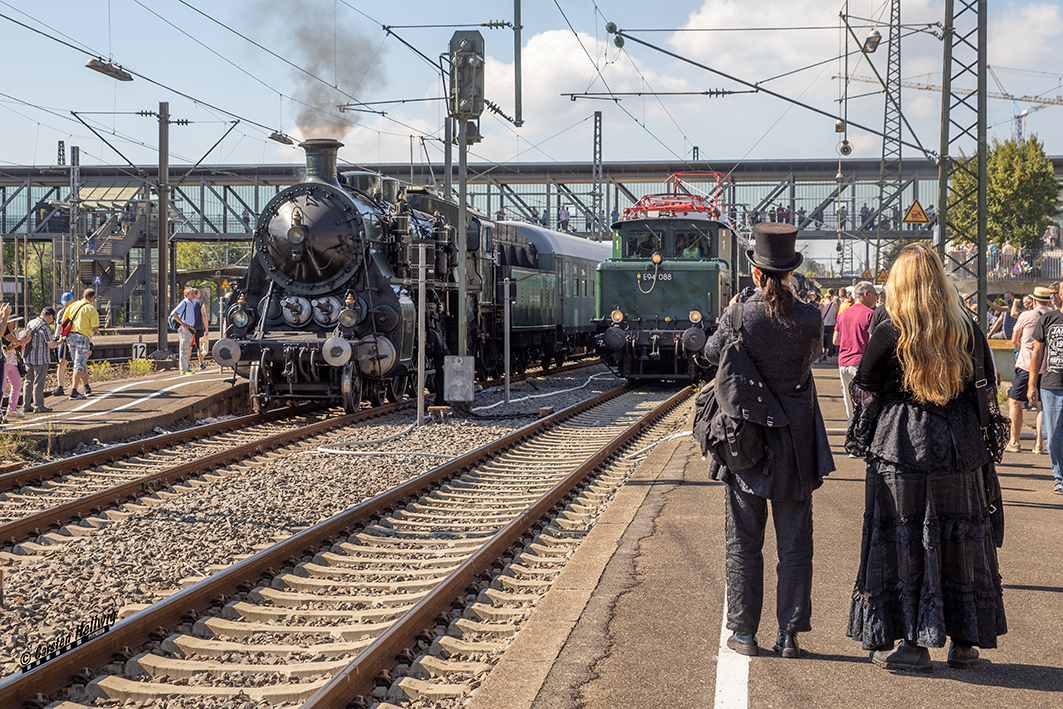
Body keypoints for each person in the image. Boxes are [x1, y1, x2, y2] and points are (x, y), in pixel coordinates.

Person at [846, 243, 1006, 671]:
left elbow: (864, 387)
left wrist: (871, 429)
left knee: (905, 541)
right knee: (959, 540)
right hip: (958, 446)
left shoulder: (890, 329)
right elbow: (986, 388)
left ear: (899, 282)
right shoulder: (966, 328)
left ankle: (913, 645)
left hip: (901, 445)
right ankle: (963, 642)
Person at [703, 222, 834, 659]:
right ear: (791, 272)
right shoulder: (810, 316)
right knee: (795, 543)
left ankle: (743, 634)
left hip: (747, 442)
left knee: (744, 542)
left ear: (756, 273)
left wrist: (737, 311)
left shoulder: (741, 315)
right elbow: (814, 355)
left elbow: (710, 354)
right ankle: (790, 635)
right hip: (796, 444)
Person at [1007, 286, 1052, 453]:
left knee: (1015, 402)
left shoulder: (1026, 315)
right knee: (1041, 405)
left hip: (1026, 365)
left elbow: (1014, 339)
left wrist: (1026, 347)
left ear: (1033, 301)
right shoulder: (1053, 316)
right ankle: (1039, 444)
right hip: (1046, 367)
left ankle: (1015, 441)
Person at [1029, 299, 1063, 494]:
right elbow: (1037, 353)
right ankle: (1059, 476)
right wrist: (1031, 384)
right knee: (1052, 437)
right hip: (1051, 386)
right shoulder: (1048, 319)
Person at [834, 281, 876, 427]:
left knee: (849, 405)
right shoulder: (871, 315)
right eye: (875, 294)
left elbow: (835, 340)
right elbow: (873, 343)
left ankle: (852, 439)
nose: (876, 298)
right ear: (866, 294)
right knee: (866, 405)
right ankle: (863, 439)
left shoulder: (843, 314)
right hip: (861, 363)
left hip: (843, 363)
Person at [22, 307, 59, 414]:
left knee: (28, 381)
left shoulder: (31, 322)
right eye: (52, 318)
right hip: (41, 359)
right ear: (50, 316)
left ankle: (26, 405)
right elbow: (51, 345)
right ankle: (39, 406)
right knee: (38, 382)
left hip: (28, 357)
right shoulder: (46, 327)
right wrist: (59, 342)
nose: (51, 321)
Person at [66, 289, 100, 400]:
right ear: (92, 298)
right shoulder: (91, 309)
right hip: (82, 337)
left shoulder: (73, 305)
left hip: (70, 337)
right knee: (79, 365)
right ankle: (74, 392)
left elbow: (64, 319)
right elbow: (95, 328)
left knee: (80, 362)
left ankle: (86, 388)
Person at [170, 287, 198, 375]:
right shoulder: (184, 303)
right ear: (186, 295)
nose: (194, 295)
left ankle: (186, 368)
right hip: (185, 329)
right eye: (191, 293)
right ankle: (183, 369)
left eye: (194, 293)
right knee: (184, 349)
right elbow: (174, 313)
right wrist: (182, 323)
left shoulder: (190, 303)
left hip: (188, 329)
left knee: (187, 349)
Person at [52, 292, 74, 395]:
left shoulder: (76, 310)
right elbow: (58, 327)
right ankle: (60, 386)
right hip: (63, 339)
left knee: (79, 362)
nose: (66, 304)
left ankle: (80, 386)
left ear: (72, 300)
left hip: (75, 338)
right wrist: (57, 339)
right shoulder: (61, 312)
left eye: (68, 302)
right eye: (64, 302)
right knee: (61, 362)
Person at [191, 288, 209, 370]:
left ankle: (186, 365)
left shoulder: (187, 303)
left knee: (188, 347)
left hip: (189, 328)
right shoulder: (200, 303)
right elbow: (204, 315)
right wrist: (206, 327)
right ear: (197, 294)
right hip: (199, 328)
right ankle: (201, 364)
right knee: (200, 347)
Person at [820, 289, 839, 361]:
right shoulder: (834, 306)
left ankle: (820, 356)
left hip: (823, 325)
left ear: (824, 298)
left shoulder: (822, 305)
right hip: (831, 325)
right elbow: (836, 315)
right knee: (830, 341)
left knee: (821, 340)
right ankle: (829, 356)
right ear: (831, 298)